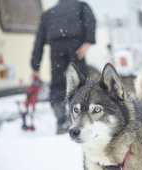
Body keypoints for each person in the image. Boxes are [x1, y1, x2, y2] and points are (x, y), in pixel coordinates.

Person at [30, 0, 96, 134]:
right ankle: (83, 118)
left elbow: (39, 41)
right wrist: (88, 41)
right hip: (76, 46)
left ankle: (62, 122)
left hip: (56, 47)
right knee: (80, 83)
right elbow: (91, 21)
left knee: (57, 84)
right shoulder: (81, 5)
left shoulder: (48, 14)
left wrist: (35, 67)